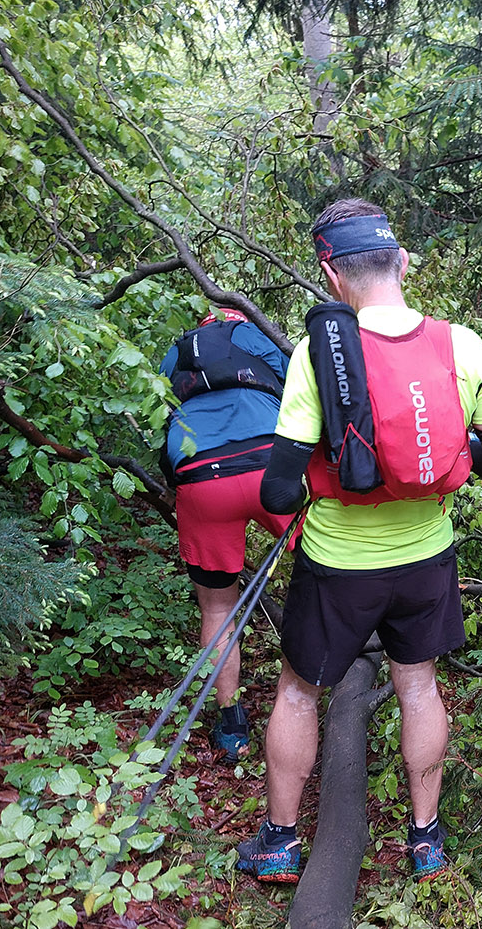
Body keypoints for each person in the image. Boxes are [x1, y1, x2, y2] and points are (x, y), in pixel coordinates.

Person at [234, 198, 482, 884]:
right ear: (402, 262)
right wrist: (442, 456)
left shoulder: (317, 356)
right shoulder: (463, 345)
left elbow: (276, 493)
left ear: (331, 274)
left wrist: (326, 476)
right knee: (418, 686)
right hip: (427, 558)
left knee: (299, 691)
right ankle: (426, 842)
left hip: (338, 564)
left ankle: (280, 843)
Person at [159, 305, 296, 763]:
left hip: (201, 477)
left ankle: (232, 724)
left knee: (218, 607)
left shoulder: (175, 353)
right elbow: (302, 394)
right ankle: (307, 691)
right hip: (268, 466)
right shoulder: (257, 337)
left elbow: (160, 414)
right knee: (322, 566)